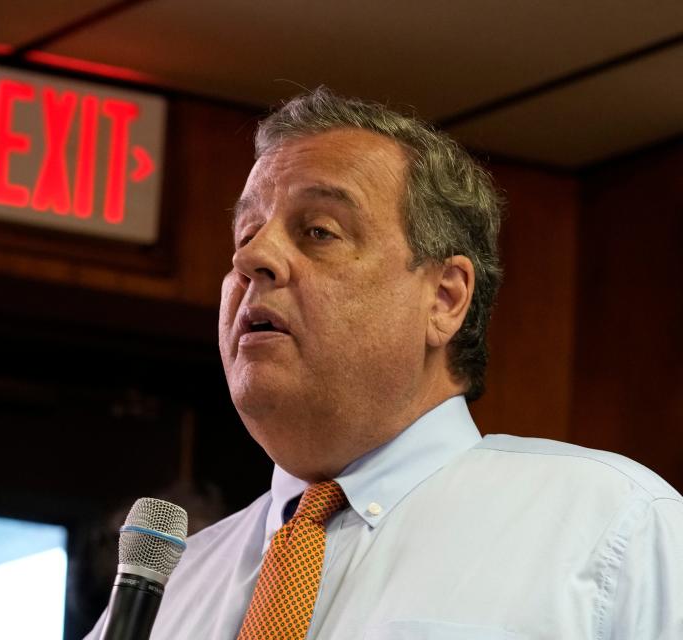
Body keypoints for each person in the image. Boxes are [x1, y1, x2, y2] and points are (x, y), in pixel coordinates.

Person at [84, 88, 683, 639]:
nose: (254, 257)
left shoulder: (614, 529)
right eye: (245, 234)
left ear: (444, 298)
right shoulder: (173, 588)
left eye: (319, 232)